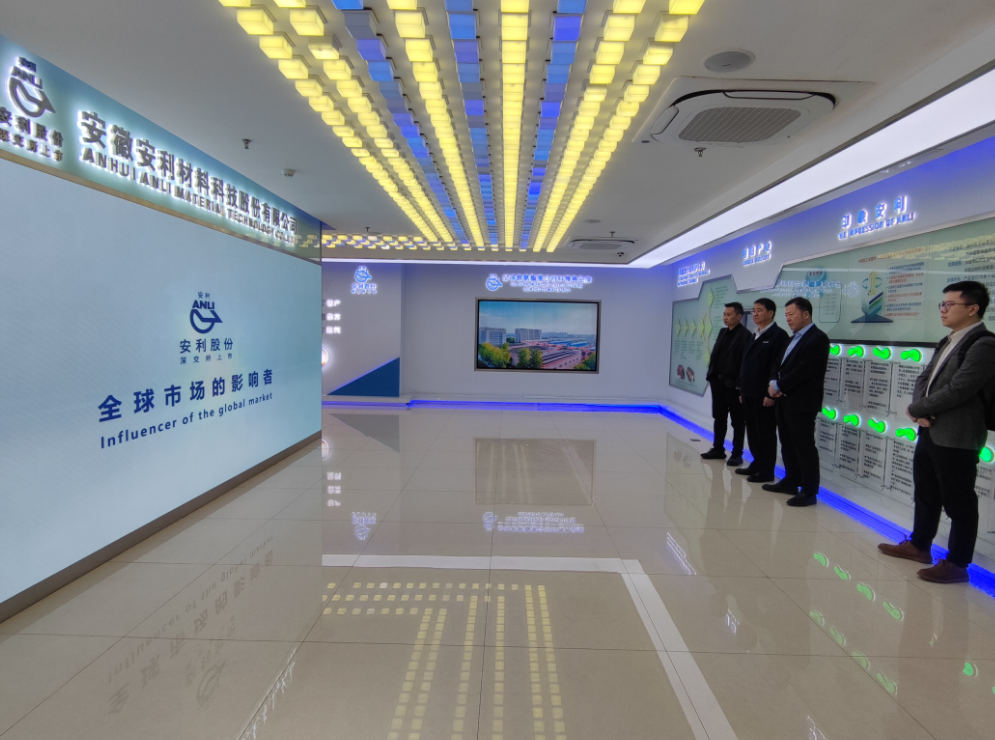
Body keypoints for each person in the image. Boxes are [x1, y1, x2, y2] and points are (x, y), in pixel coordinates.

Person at [878, 281, 995, 583]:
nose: (942, 310)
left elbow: (960, 389)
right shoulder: (948, 340)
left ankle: (957, 563)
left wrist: (918, 408)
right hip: (930, 429)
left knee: (959, 501)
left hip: (958, 436)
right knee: (926, 492)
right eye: (941, 304)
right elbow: (925, 377)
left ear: (973, 308)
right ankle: (919, 545)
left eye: (949, 304)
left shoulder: (984, 344)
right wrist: (919, 408)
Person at [763, 297, 830, 506]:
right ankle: (791, 481)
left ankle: (809, 492)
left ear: (806, 314)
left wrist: (779, 386)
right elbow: (778, 363)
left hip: (802, 403)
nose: (788, 319)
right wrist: (773, 382)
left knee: (804, 447)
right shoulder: (791, 339)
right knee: (787, 444)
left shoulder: (818, 338)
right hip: (784, 401)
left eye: (791, 314)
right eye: (786, 315)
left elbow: (804, 370)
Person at [735, 298, 789, 483]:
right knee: (752, 431)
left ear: (771, 313)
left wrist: (769, 394)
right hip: (748, 392)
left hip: (764, 394)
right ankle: (757, 463)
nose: (755, 314)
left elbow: (776, 367)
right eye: (754, 311)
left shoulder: (778, 335)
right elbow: (745, 364)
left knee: (765, 433)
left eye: (759, 310)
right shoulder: (754, 334)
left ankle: (766, 471)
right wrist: (742, 390)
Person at [701, 302, 752, 465]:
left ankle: (737, 453)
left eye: (729, 314)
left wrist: (740, 385)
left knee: (737, 421)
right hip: (718, 382)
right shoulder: (723, 332)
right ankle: (718, 448)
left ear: (739, 316)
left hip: (733, 385)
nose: (725, 317)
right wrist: (711, 374)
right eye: (724, 314)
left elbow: (745, 363)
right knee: (719, 416)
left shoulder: (746, 336)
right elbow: (716, 355)